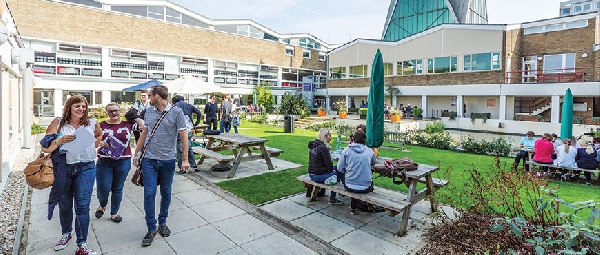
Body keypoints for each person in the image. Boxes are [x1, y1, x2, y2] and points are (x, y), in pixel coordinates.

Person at [40, 95, 102, 255]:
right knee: (65, 205)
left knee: (82, 207)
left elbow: (99, 135)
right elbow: (45, 149)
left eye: (83, 106)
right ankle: (66, 234)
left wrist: (93, 145)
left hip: (86, 167)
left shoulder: (92, 122)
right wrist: (59, 142)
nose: (81, 109)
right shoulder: (58, 123)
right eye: (77, 106)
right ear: (69, 107)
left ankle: (82, 245)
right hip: (64, 169)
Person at [133, 85, 189, 246]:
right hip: (149, 160)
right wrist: (137, 153)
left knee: (166, 192)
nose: (147, 98)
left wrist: (184, 159)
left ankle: (162, 222)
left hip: (168, 160)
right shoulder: (148, 111)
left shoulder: (176, 112)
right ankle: (151, 227)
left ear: (157, 96)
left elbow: (184, 137)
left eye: (149, 95)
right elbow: (145, 133)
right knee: (149, 193)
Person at [95, 103, 144, 223]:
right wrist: (99, 143)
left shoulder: (128, 125)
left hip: (123, 161)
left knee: (117, 188)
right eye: (111, 111)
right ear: (107, 113)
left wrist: (135, 116)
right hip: (104, 160)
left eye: (116, 110)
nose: (114, 113)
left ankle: (114, 212)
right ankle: (102, 205)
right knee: (103, 188)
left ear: (120, 111)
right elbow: (92, 139)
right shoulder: (101, 125)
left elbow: (143, 126)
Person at [337, 130, 377, 215]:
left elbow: (339, 168)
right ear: (365, 140)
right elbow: (373, 163)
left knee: (354, 179)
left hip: (349, 185)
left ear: (353, 139)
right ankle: (368, 205)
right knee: (365, 179)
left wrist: (347, 172)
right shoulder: (369, 151)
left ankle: (353, 207)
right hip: (365, 187)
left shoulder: (346, 150)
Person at [307, 128, 343, 205]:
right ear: (325, 136)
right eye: (330, 135)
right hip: (318, 175)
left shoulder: (314, 145)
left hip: (312, 173)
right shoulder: (323, 148)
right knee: (337, 173)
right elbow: (329, 165)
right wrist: (331, 171)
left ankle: (341, 190)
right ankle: (333, 198)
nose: (331, 137)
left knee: (338, 168)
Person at [172, 95, 202, 174]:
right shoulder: (189, 106)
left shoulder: (175, 106)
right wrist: (197, 122)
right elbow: (199, 113)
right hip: (189, 130)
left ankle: (182, 168)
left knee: (180, 149)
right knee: (189, 148)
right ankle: (194, 165)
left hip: (180, 131)